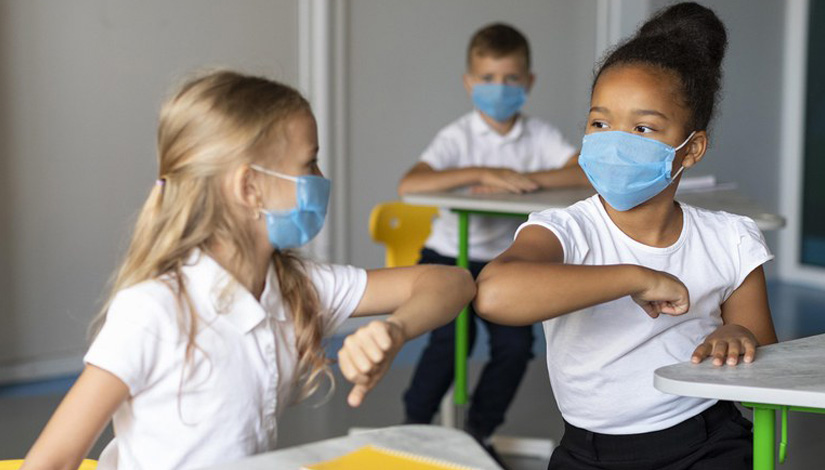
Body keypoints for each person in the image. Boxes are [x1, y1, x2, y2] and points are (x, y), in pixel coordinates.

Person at [21, 71, 475, 470]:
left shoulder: (299, 287)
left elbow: (452, 282)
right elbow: (52, 461)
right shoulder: (155, 311)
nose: (319, 178)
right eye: (308, 163)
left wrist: (396, 330)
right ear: (249, 187)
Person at [475, 4, 777, 469]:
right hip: (588, 452)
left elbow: (765, 357)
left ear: (691, 149)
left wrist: (739, 334)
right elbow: (495, 294)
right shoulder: (566, 231)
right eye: (600, 123)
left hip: (706, 442)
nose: (615, 142)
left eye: (642, 128)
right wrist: (635, 278)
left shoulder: (730, 240)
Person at [397, 23, 587, 456]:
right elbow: (411, 182)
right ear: (469, 83)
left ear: (529, 82)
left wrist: (519, 182)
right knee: (449, 342)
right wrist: (482, 172)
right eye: (487, 78)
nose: (498, 88)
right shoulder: (458, 136)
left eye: (510, 78)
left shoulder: (538, 136)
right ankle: (411, 427)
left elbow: (582, 173)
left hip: (506, 263)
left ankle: (477, 433)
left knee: (516, 347)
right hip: (449, 255)